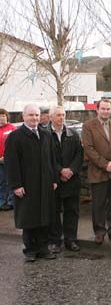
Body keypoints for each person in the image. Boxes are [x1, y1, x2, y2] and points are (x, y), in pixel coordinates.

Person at [5, 104, 58, 262]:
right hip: (26, 185)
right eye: (31, 115)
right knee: (29, 218)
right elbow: (11, 163)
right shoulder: (15, 137)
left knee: (44, 216)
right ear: (23, 116)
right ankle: (30, 250)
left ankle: (43, 248)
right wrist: (16, 185)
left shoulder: (46, 134)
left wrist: (54, 178)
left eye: (36, 115)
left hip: (45, 183)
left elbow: (52, 159)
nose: (34, 118)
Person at [82, 99, 111, 245]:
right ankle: (100, 231)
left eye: (108, 109)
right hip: (98, 171)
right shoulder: (88, 126)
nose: (106, 111)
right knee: (98, 204)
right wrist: (104, 164)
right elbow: (88, 149)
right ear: (97, 110)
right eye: (103, 109)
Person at [48, 106, 83, 253]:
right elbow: (45, 158)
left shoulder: (73, 134)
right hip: (54, 179)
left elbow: (79, 155)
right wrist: (60, 170)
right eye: (58, 115)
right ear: (51, 117)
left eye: (63, 115)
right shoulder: (44, 135)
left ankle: (70, 240)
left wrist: (71, 170)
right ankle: (55, 241)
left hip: (71, 179)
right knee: (54, 211)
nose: (61, 118)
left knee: (72, 211)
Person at [0, 108, 16, 212]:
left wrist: (7, 157)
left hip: (10, 160)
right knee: (1, 182)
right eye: (0, 116)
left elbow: (15, 145)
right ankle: (1, 202)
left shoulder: (12, 128)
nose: (1, 118)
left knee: (10, 182)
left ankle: (10, 202)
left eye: (3, 116)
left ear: (7, 117)